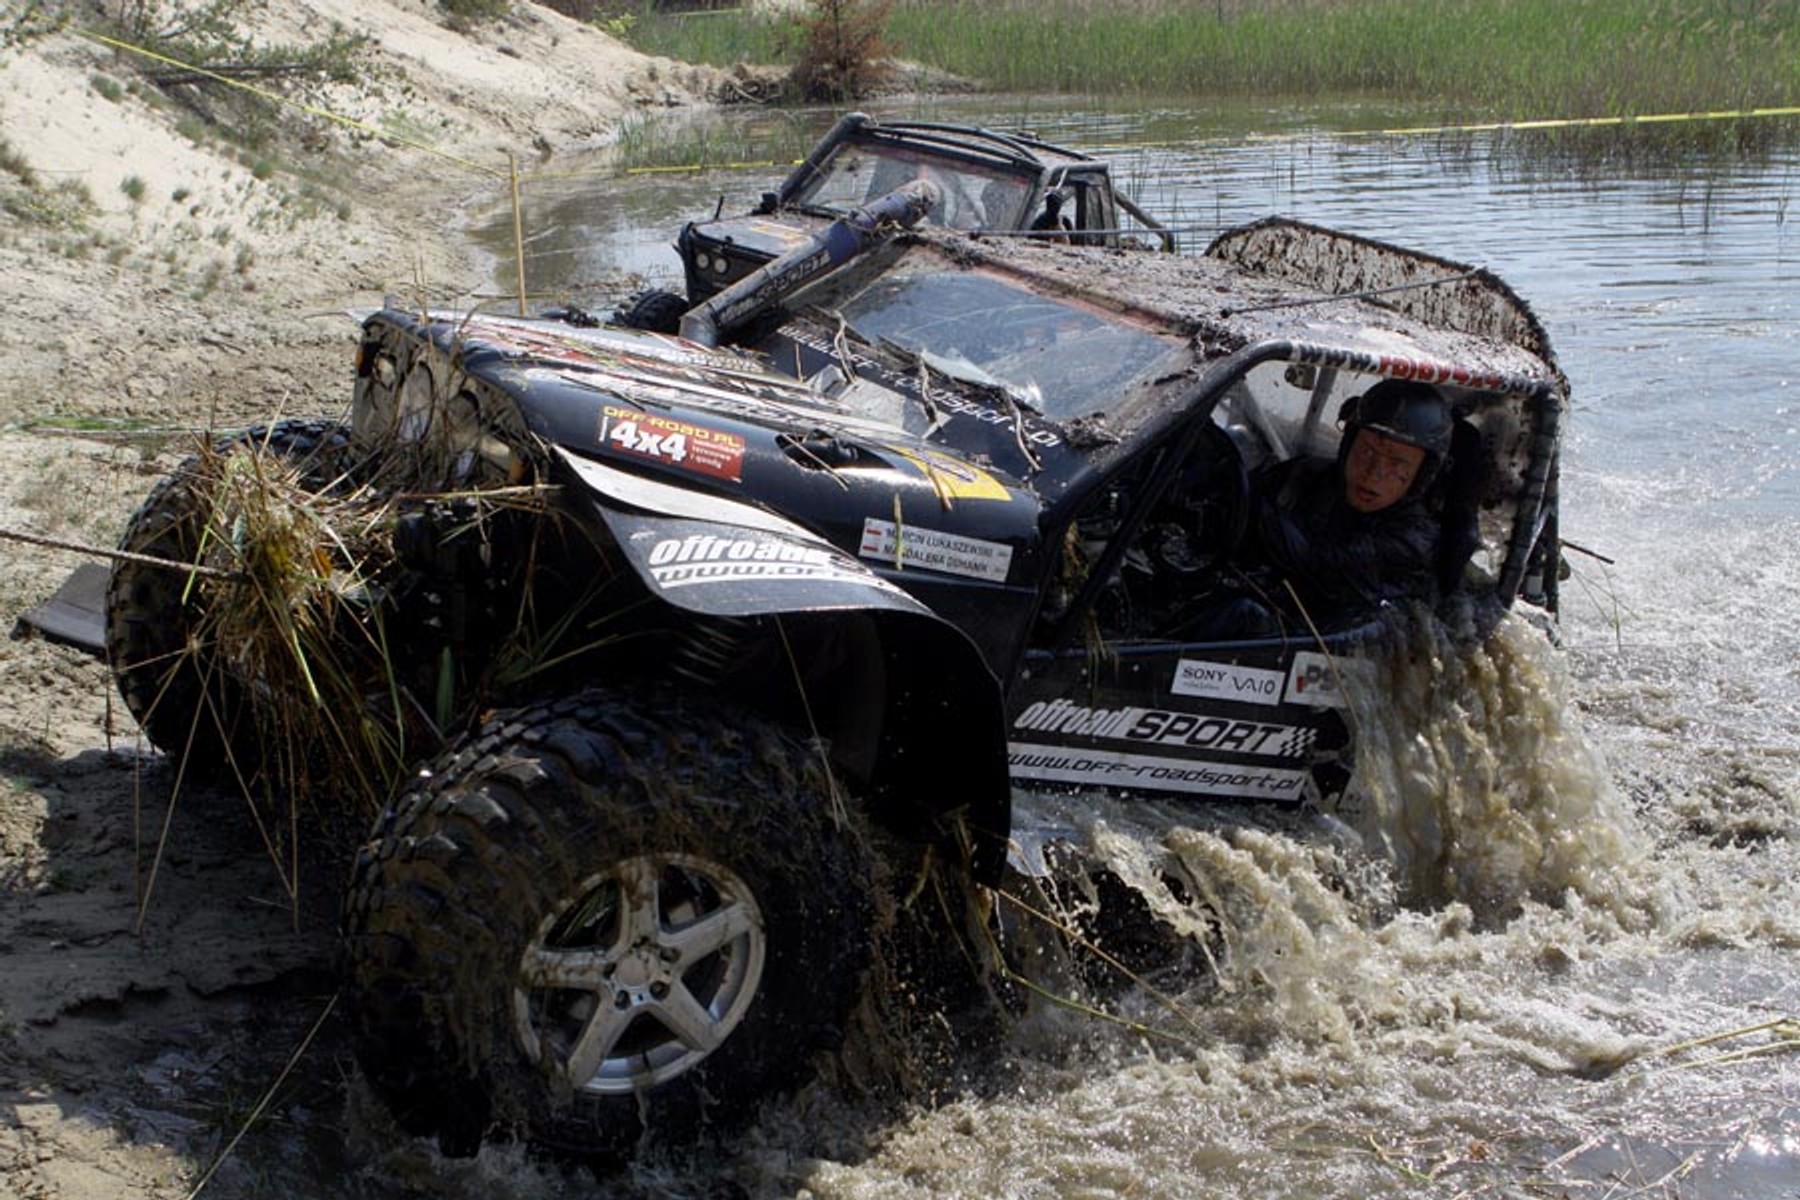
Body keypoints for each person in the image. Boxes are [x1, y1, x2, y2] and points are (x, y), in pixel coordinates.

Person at [1198, 379, 1455, 636]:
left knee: (1244, 615)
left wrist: (1257, 509)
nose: (1373, 473)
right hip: (1266, 605)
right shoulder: (1303, 477)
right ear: (1348, 445)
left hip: (1329, 648)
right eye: (1367, 451)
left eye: (1396, 463)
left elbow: (1318, 562)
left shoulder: (1414, 539)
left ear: (1420, 476)